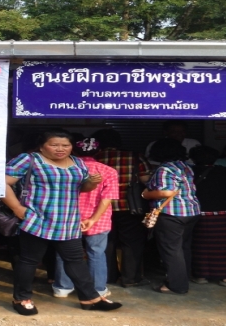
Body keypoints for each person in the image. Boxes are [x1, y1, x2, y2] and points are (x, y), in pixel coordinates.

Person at [4, 130, 122, 316]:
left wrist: (92, 183)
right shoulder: (30, 159)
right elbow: (2, 183)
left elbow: (82, 188)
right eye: (54, 145)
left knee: (75, 261)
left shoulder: (77, 162)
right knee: (29, 261)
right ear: (42, 146)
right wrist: (17, 208)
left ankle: (90, 298)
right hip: (37, 220)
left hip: (68, 221)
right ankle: (21, 298)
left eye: (66, 145)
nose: (60, 149)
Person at [53, 138, 119, 298]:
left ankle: (63, 287)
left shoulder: (66, 169)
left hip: (67, 218)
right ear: (99, 152)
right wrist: (94, 219)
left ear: (74, 151)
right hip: (98, 220)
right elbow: (107, 198)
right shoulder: (109, 171)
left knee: (65, 253)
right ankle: (98, 289)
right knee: (96, 253)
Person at [92, 128, 149, 287]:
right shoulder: (135, 156)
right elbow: (146, 179)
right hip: (129, 206)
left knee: (106, 243)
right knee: (132, 242)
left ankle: (108, 277)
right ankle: (130, 278)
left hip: (101, 208)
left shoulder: (95, 158)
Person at [144, 138, 201, 294]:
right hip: (191, 211)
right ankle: (183, 278)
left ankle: (177, 285)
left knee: (171, 250)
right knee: (183, 246)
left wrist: (146, 194)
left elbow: (166, 192)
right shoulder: (185, 166)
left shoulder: (165, 168)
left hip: (172, 213)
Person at [188, 145, 226, 287]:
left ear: (193, 158)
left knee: (200, 244)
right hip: (225, 212)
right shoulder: (224, 170)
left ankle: (201, 276)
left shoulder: (190, 171)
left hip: (200, 211)